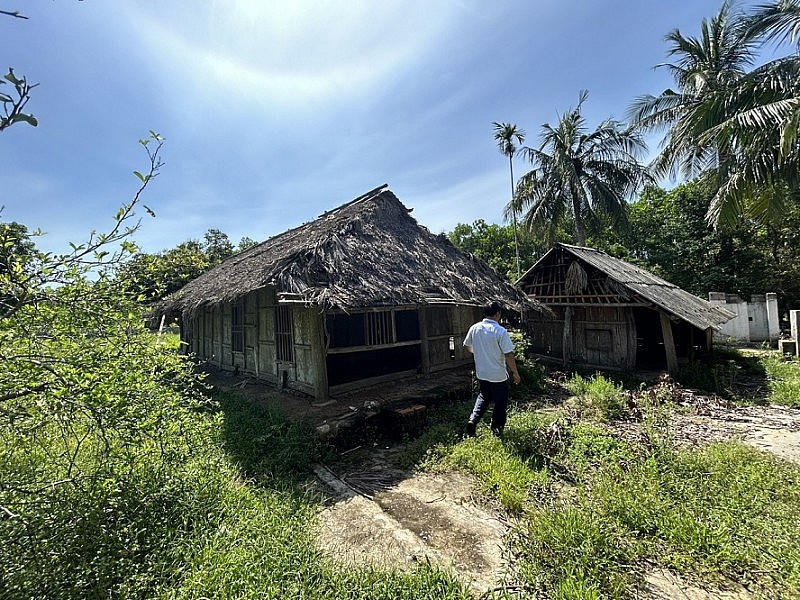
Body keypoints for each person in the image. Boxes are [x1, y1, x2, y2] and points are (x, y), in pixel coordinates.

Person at [463, 301, 520, 437]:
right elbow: (508, 355)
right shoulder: (500, 331)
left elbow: (467, 345)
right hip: (498, 375)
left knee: (483, 396)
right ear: (498, 314)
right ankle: (496, 429)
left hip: (482, 372)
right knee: (500, 402)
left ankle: (473, 420)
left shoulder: (475, 328)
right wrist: (515, 373)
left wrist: (479, 353)